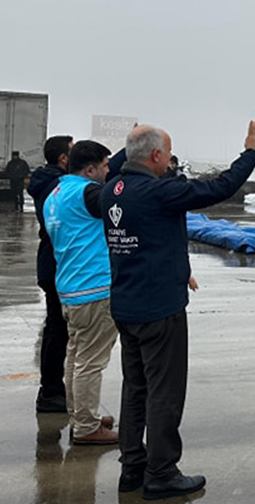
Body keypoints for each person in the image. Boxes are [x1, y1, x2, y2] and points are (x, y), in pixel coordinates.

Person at [102, 120, 255, 499]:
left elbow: (149, 239)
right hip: (159, 310)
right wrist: (251, 153)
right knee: (165, 392)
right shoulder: (161, 192)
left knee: (135, 389)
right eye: (168, 153)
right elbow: (220, 187)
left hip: (125, 307)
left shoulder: (112, 191)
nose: (171, 160)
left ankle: (132, 468)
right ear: (156, 155)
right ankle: (161, 473)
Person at [44, 140, 118, 445]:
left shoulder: (57, 193)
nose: (107, 171)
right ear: (90, 169)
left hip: (71, 288)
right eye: (104, 167)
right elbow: (121, 205)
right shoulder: (88, 193)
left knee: (76, 357)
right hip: (94, 289)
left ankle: (81, 416)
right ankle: (87, 428)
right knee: (90, 361)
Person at [26, 136, 74, 413]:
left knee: (57, 329)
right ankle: (51, 392)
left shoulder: (45, 181)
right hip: (57, 263)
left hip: (51, 263)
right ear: (64, 159)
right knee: (57, 331)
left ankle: (53, 389)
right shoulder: (55, 185)